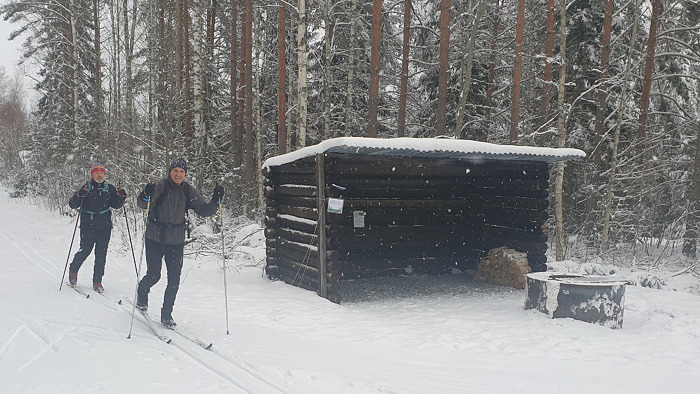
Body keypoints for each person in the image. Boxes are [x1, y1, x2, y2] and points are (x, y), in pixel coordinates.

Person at [136, 158, 224, 328]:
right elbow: (143, 204)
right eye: (175, 171)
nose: (178, 174)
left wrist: (216, 200)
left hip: (176, 240)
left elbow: (204, 210)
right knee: (154, 275)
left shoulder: (187, 190)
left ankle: (166, 315)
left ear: (185, 174)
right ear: (170, 172)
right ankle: (142, 292)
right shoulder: (161, 186)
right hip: (155, 237)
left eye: (182, 172)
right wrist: (146, 193)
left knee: (174, 280)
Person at [68, 163, 126, 293]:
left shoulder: (109, 188)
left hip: (104, 226)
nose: (99, 175)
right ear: (92, 174)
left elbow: (115, 205)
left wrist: (121, 197)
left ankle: (97, 281)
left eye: (102, 173)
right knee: (85, 250)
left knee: (101, 253)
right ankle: (73, 269)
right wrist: (79, 195)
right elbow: (72, 204)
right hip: (88, 225)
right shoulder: (86, 187)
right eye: (97, 173)